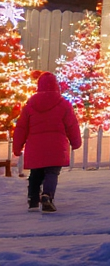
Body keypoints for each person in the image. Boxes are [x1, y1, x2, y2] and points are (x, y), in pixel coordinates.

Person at [13, 72, 81, 212]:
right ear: (56, 86)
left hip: (35, 147)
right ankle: (47, 196)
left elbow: (21, 128)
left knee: (35, 173)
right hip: (56, 147)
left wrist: (17, 147)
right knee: (52, 172)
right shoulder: (64, 104)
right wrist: (75, 142)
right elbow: (71, 125)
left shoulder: (30, 105)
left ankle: (33, 199)